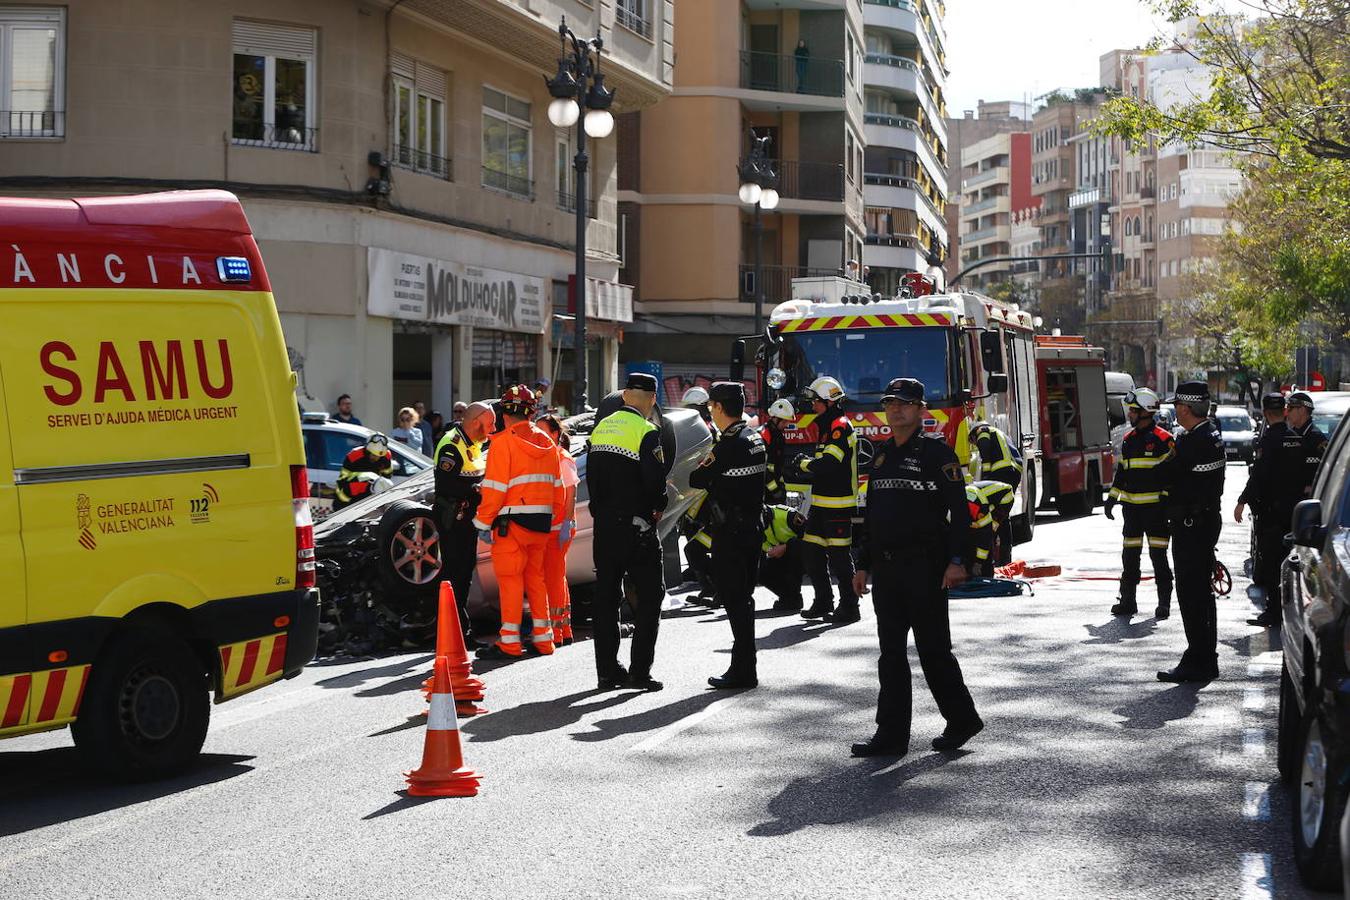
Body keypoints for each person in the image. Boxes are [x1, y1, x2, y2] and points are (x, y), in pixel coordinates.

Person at [851, 377, 982, 758]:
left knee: (933, 652)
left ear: (921, 410)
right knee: (890, 655)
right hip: (888, 572)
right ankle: (890, 736)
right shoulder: (879, 455)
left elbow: (961, 514)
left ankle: (962, 719)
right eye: (891, 403)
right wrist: (863, 564)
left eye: (905, 404)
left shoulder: (937, 456)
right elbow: (871, 516)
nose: (896, 409)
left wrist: (959, 561)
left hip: (926, 568)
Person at [586, 372, 669, 691]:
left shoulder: (600, 430)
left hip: (605, 528)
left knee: (606, 598)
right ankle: (639, 672)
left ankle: (607, 671)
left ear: (623, 397)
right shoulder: (646, 431)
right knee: (650, 597)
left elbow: (591, 479)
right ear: (651, 400)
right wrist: (658, 507)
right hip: (638, 529)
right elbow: (655, 482)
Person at [472, 385, 564, 660]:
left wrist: (482, 522)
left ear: (504, 411)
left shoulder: (503, 443)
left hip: (511, 525)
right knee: (535, 580)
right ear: (531, 411)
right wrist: (553, 517)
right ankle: (543, 640)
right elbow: (557, 488)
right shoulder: (547, 442)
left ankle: (510, 643)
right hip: (541, 524)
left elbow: (495, 488)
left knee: (511, 581)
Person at [690, 382, 767, 689]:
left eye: (711, 407)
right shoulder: (754, 437)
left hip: (731, 535)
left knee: (736, 602)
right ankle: (745, 666)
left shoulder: (727, 445)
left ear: (719, 408)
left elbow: (698, 477)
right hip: (752, 529)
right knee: (744, 601)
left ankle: (743, 670)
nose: (711, 411)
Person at [1238, 390, 1327, 627]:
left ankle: (1284, 611)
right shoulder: (1291, 435)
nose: (1289, 414)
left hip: (1303, 513)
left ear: (1304, 411)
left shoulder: (1315, 438)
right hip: (1285, 509)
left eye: (1294, 409)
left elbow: (1319, 475)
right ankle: (1279, 609)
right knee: (1279, 563)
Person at [1156, 382, 1226, 682]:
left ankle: (1198, 658)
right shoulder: (1210, 435)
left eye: (1177, 406)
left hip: (1192, 524)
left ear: (1186, 408)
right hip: (1203, 521)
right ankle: (1204, 656)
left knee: (1192, 594)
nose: (1175, 411)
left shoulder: (1193, 441)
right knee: (1201, 594)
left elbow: (1168, 474)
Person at [793, 375, 860, 624]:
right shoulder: (827, 425)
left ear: (829, 402)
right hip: (821, 503)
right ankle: (823, 601)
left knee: (840, 559)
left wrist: (803, 464)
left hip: (838, 504)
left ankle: (850, 607)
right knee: (811, 553)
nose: (812, 405)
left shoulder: (839, 425)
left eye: (816, 401)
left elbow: (831, 463)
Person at [1104, 388, 1175, 620]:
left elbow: (1171, 478)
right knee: (1130, 557)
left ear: (1146, 412)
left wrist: (1166, 504)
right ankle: (1127, 601)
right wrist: (1112, 498)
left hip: (1156, 512)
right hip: (1132, 512)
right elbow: (1122, 473)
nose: (1130, 415)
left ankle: (1164, 603)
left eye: (1133, 411)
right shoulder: (1128, 440)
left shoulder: (1164, 440)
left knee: (1159, 558)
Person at [433, 401, 495, 645]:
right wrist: (478, 489)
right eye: (489, 424)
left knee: (464, 572)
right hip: (453, 517)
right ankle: (453, 631)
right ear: (475, 422)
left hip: (466, 517)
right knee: (455, 574)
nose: (492, 428)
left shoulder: (475, 443)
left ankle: (459, 628)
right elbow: (446, 484)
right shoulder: (452, 444)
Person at [540, 415, 580, 645]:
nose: (540, 436)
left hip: (558, 528)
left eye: (545, 432)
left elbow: (571, 493)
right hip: (555, 527)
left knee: (552, 578)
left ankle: (557, 632)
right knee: (557, 577)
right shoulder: (552, 456)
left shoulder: (561, 458)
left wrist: (566, 523)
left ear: (555, 434)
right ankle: (563, 628)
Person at [969, 419, 1023, 564]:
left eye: (972, 441)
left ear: (974, 433)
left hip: (1002, 472)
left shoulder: (983, 432)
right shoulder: (998, 433)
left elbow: (985, 452)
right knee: (1002, 512)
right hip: (1013, 471)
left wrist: (986, 477)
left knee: (999, 516)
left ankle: (1000, 556)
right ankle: (1004, 554)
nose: (974, 444)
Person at [761, 503, 806, 612]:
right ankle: (789, 597)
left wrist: (786, 547)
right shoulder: (755, 526)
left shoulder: (789, 515)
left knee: (794, 549)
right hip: (782, 555)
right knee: (760, 570)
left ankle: (794, 595)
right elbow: (766, 548)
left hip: (806, 554)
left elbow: (810, 535)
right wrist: (772, 552)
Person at [334, 433, 392, 509]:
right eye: (374, 455)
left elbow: (387, 476)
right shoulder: (354, 455)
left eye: (379, 456)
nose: (376, 458)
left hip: (370, 493)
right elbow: (343, 479)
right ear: (367, 450)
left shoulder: (386, 455)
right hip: (349, 493)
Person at [760, 398, 794, 504]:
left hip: (775, 486)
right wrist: (775, 490)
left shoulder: (778, 435)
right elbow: (762, 467)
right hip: (765, 490)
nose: (787, 425)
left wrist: (782, 486)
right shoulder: (764, 435)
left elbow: (779, 466)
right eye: (784, 421)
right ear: (775, 419)